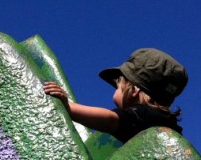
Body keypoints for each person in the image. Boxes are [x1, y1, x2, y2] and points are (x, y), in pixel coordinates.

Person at [43, 48, 187, 143]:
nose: (115, 90)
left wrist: (69, 107)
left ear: (134, 91)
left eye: (118, 86)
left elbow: (111, 120)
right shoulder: (169, 123)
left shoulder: (141, 116)